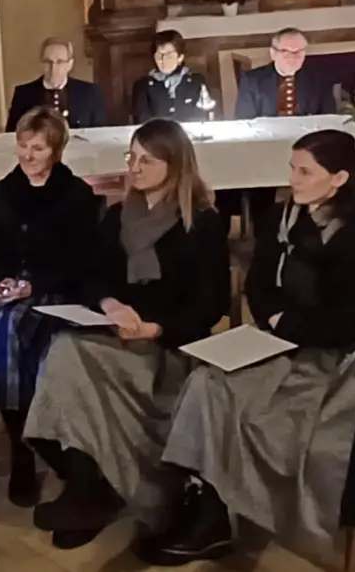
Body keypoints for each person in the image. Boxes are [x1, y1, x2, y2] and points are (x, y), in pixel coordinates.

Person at [145, 131, 355, 564]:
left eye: (305, 171)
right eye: (292, 167)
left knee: (253, 411)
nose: (293, 178)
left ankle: (221, 508)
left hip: (334, 358)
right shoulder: (281, 216)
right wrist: (273, 318)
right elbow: (259, 281)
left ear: (339, 178)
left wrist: (291, 326)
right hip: (278, 339)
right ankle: (206, 497)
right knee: (207, 382)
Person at [25, 119, 230, 550]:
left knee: (72, 360)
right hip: (117, 332)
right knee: (64, 350)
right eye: (130, 157)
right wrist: (109, 304)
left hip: (169, 345)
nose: (134, 168)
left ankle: (93, 493)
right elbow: (91, 275)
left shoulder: (203, 223)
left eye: (145, 160)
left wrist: (157, 327)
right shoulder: (119, 216)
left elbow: (210, 306)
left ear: (174, 166)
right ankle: (86, 488)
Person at [0, 108, 101, 506]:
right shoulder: (2, 192)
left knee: (5, 336)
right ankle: (18, 450)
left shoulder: (76, 195)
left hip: (54, 293)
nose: (28, 155)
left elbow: (80, 260)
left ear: (56, 151)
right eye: (22, 145)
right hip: (4, 291)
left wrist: (32, 284)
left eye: (38, 148)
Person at [232, 27, 334, 237]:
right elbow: (244, 121)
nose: (294, 58)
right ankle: (264, 235)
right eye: (287, 52)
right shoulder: (253, 80)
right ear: (273, 53)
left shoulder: (319, 78)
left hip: (309, 147)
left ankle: (312, 230)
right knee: (257, 183)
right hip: (264, 150)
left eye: (299, 52)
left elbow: (328, 116)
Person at [5, 37, 108, 131]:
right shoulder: (23, 94)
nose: (53, 68)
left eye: (60, 62)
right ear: (41, 63)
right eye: (48, 62)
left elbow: (99, 135)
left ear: (70, 64)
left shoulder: (90, 93)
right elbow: (11, 135)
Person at [131, 30, 214, 123]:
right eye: (159, 56)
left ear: (180, 57)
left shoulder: (197, 83)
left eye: (169, 55)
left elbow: (205, 115)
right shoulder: (142, 86)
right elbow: (143, 121)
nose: (163, 60)